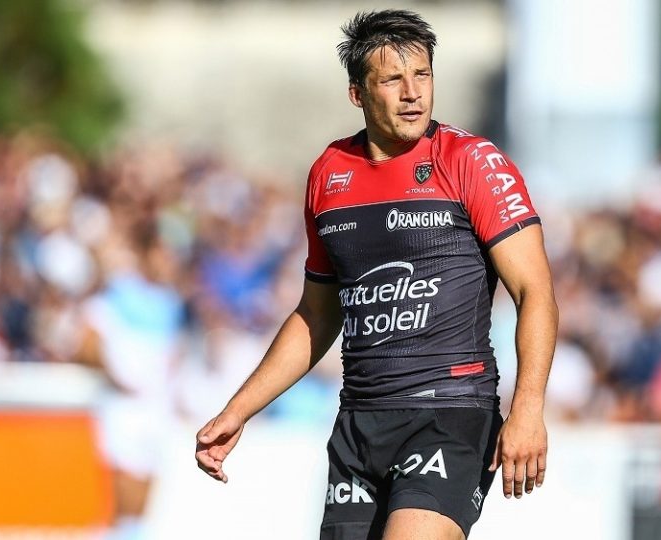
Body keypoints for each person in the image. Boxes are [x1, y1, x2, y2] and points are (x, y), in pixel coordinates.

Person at [195, 9, 558, 540]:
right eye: (392, 79)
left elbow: (536, 291)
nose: (413, 93)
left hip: (449, 415)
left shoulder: (472, 161)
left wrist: (527, 407)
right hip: (359, 424)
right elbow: (317, 314)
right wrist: (239, 409)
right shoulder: (329, 174)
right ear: (357, 93)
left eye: (423, 75)